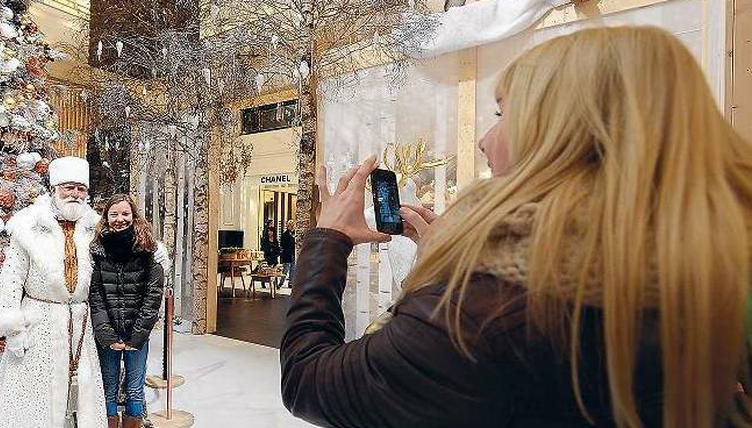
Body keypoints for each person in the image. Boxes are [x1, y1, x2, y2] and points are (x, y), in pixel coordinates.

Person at [281, 26, 752, 427]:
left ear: (564, 135)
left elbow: (308, 380)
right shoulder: (707, 279)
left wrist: (330, 240)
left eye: (504, 115)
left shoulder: (485, 311)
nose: (485, 141)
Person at [0, 156, 106, 428]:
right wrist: (13, 329)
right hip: (37, 321)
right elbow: (12, 278)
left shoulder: (95, 227)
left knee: (81, 393)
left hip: (80, 324)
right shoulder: (28, 225)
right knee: (33, 396)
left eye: (80, 188)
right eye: (68, 187)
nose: (75, 194)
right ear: (54, 188)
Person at [89, 194, 165, 428]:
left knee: (134, 386)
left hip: (137, 333)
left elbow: (153, 296)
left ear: (133, 216)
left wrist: (137, 336)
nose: (119, 219)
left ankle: (133, 422)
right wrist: (107, 335)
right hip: (108, 333)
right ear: (106, 217)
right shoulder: (97, 251)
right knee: (108, 384)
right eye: (114, 214)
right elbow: (96, 297)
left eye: (125, 214)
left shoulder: (148, 250)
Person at [279, 220, 295, 287]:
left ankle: (290, 283)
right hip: (287, 254)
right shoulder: (284, 235)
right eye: (290, 225)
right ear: (288, 226)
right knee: (285, 269)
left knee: (292, 269)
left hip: (293, 254)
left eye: (292, 225)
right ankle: (281, 283)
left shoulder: (294, 234)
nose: (291, 227)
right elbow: (283, 245)